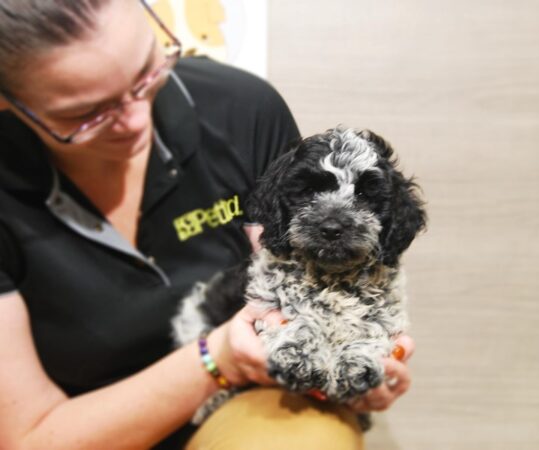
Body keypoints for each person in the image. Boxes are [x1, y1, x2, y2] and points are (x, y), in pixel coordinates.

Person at [0, 0, 415, 448]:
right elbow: (30, 438)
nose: (138, 121)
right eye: (86, 113)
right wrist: (219, 358)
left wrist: (356, 351)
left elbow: (297, 281)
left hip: (239, 407)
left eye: (147, 72)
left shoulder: (241, 109)